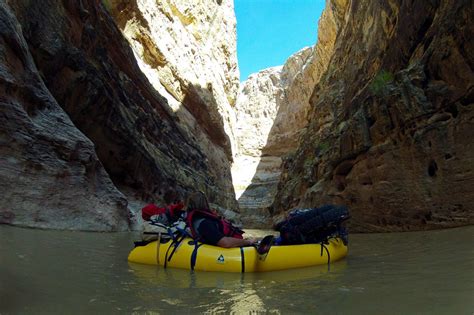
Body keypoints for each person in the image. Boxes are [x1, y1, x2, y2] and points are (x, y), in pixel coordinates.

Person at [185, 191, 256, 248]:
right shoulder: (205, 223)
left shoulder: (194, 219)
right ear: (205, 203)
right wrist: (248, 242)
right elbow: (225, 243)